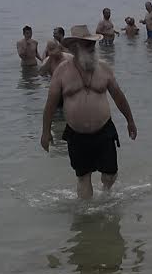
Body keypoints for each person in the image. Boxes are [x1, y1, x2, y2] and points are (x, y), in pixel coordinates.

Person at [41, 25, 137, 199]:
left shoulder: (104, 68)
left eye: (93, 44)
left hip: (104, 130)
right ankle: (87, 213)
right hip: (76, 135)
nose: (92, 47)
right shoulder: (62, 72)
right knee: (83, 177)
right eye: (87, 44)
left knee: (110, 174)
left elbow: (119, 97)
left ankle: (106, 195)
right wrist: (46, 132)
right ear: (75, 47)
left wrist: (130, 121)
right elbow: (50, 104)